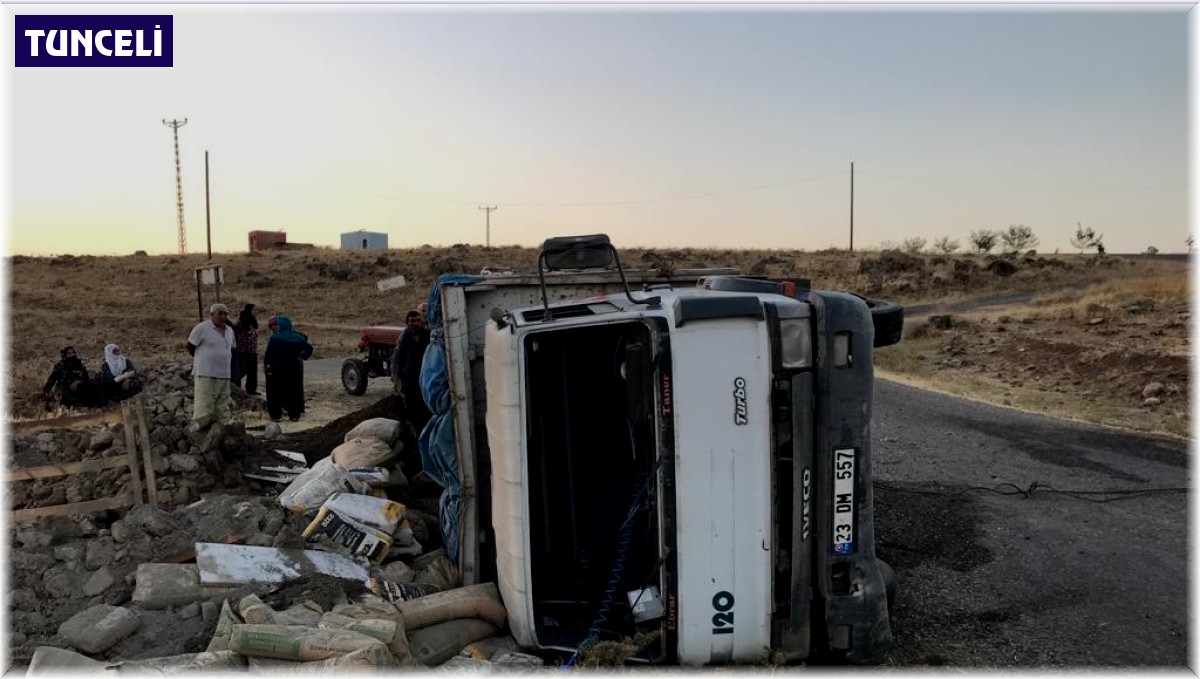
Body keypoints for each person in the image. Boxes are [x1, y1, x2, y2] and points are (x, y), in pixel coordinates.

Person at [187, 303, 236, 428]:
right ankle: (202, 429)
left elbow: (231, 348)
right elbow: (190, 346)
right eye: (220, 313)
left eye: (225, 313)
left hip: (224, 373)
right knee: (204, 403)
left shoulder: (230, 331)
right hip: (205, 372)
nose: (223, 316)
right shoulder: (201, 328)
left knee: (223, 402)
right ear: (212, 314)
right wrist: (203, 358)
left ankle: (223, 428)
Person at [263, 315, 313, 422]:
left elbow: (269, 355)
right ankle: (294, 415)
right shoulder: (298, 338)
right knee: (294, 391)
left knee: (276, 391)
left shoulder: (274, 338)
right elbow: (309, 348)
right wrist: (302, 356)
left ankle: (276, 415)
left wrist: (268, 367)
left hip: (278, 369)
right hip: (294, 368)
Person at [395, 309, 431, 427]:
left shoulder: (428, 336)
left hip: (425, 379)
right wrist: (400, 379)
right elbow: (400, 359)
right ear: (407, 323)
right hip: (410, 381)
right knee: (412, 408)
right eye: (412, 321)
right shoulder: (405, 339)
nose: (415, 323)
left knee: (426, 408)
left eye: (417, 320)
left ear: (422, 322)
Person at [232, 304, 261, 396]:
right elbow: (233, 335)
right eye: (254, 310)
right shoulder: (240, 323)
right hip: (241, 352)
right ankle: (234, 387)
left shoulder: (253, 323)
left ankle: (251, 389)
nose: (255, 312)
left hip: (252, 351)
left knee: (252, 372)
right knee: (241, 371)